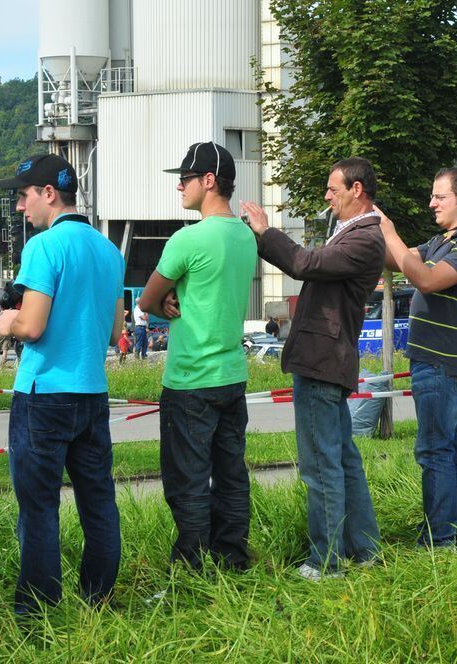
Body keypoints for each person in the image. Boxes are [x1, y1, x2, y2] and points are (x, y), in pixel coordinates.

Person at [241, 157, 385, 579]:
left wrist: (266, 232)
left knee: (320, 464)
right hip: (327, 360)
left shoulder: (364, 237)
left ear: (357, 190)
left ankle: (327, 561)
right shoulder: (350, 231)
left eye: (333, 189)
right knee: (341, 457)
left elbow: (304, 264)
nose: (327, 196)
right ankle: (365, 549)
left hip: (324, 362)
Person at [0, 153, 125, 618]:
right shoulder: (110, 251)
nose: (19, 207)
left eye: (23, 196)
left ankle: (37, 615)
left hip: (43, 395)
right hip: (92, 392)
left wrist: (5, 320)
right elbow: (114, 333)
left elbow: (32, 326)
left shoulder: (44, 248)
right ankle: (99, 601)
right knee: (98, 504)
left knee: (39, 510)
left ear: (49, 194)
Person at [138, 142, 257, 570]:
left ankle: (190, 568)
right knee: (230, 475)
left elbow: (147, 301)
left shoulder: (187, 239)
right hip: (231, 373)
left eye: (184, 179)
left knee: (186, 480)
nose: (178, 186)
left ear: (208, 181)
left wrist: (165, 301)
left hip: (190, 379)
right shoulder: (245, 235)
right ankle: (232, 560)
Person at [377, 167, 457, 547]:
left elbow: (426, 279)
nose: (431, 203)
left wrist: (390, 231)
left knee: (433, 449)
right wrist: (369, 232)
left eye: (438, 197)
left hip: (443, 361)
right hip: (433, 359)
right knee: (449, 446)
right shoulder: (443, 239)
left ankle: (440, 539)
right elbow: (401, 261)